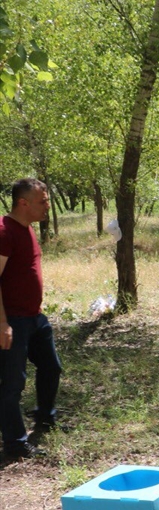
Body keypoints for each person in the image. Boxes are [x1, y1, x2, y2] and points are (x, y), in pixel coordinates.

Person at [0, 178, 59, 459]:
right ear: (23, 203)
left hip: (35, 317)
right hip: (13, 320)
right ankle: (15, 444)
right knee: (12, 384)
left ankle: (45, 417)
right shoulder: (4, 232)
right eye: (42, 201)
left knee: (51, 367)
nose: (47, 205)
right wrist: (2, 323)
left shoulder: (29, 229)